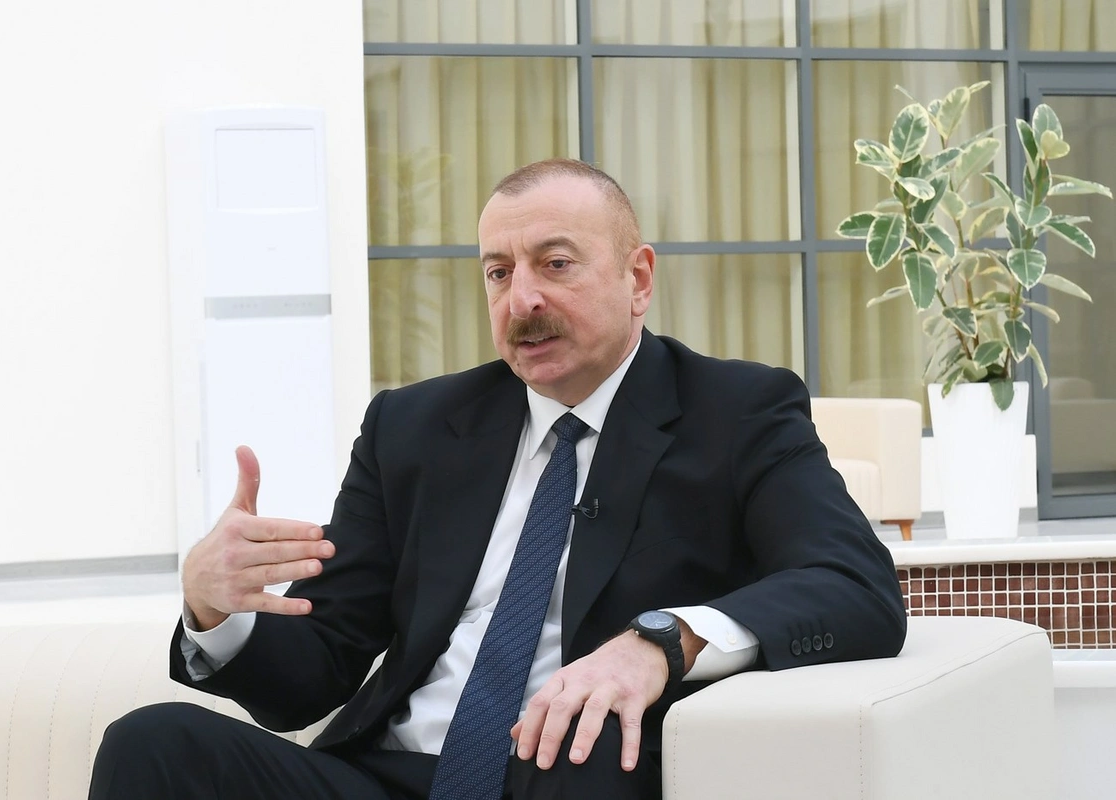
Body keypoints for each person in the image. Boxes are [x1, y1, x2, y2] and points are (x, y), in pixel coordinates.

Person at [90, 158, 906, 800]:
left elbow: (853, 585)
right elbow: (314, 675)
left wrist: (664, 641)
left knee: (582, 747)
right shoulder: (413, 428)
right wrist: (214, 609)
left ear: (639, 278)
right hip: (390, 777)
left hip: (567, 777)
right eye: (498, 272)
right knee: (154, 743)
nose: (522, 300)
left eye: (555, 264)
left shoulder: (737, 411)